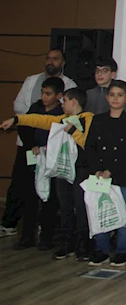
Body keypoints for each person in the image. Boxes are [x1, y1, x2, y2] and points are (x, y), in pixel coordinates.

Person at [2, 88, 96, 261]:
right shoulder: (62, 119)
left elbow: (88, 144)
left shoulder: (88, 119)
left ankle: (84, 245)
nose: (62, 104)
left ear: (74, 102)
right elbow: (40, 120)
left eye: (65, 100)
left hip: (81, 170)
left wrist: (72, 131)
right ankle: (68, 243)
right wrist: (16, 119)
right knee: (65, 207)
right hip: (62, 169)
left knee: (81, 208)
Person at [3, 49, 76, 239]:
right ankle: (20, 230)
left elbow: (56, 128)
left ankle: (46, 232)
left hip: (52, 154)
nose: (51, 62)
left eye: (55, 59)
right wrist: (31, 144)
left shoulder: (63, 107)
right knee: (24, 187)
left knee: (51, 193)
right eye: (48, 58)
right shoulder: (33, 88)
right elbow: (25, 118)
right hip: (30, 150)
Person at [85, 80, 126, 267]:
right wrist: (97, 170)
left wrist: (111, 171)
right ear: (107, 98)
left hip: (121, 175)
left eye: (120, 95)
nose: (116, 99)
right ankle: (101, 249)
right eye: (112, 95)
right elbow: (90, 147)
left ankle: (123, 250)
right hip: (99, 175)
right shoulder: (98, 120)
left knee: (123, 213)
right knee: (100, 211)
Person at [10, 77, 64, 251]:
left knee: (50, 199)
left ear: (59, 96)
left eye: (48, 94)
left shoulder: (62, 113)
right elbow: (24, 126)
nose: (44, 97)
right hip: (33, 156)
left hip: (51, 159)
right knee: (29, 196)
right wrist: (31, 145)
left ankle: (46, 237)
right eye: (43, 93)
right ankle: (27, 236)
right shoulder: (36, 107)